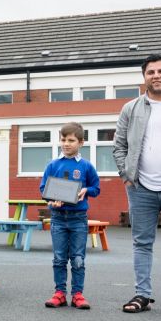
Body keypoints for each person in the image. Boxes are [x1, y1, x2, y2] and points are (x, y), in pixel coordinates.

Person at [114, 53, 161, 316]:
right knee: (142, 243)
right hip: (140, 187)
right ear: (144, 76)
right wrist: (127, 176)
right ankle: (142, 295)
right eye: (151, 72)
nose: (156, 76)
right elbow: (119, 146)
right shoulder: (130, 108)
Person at [40, 122, 100, 310]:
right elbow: (44, 189)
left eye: (71, 140)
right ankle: (59, 293)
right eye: (63, 139)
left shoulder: (86, 166)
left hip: (78, 219)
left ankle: (78, 294)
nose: (66, 144)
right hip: (58, 218)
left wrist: (85, 190)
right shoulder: (53, 165)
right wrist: (50, 200)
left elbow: (96, 188)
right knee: (59, 258)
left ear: (81, 142)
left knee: (78, 258)